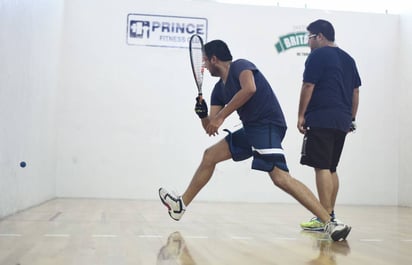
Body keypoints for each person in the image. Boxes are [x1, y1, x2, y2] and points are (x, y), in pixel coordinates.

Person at [159, 39, 351, 241]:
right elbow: (211, 128)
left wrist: (221, 116)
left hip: (268, 124)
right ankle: (180, 206)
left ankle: (329, 223)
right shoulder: (218, 90)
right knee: (210, 156)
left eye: (206, 61)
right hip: (251, 128)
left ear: (214, 59)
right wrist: (202, 115)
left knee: (281, 178)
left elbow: (249, 88)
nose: (204, 66)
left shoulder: (240, 66)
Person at [297, 19, 361, 231]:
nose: (308, 42)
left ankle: (324, 218)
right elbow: (355, 91)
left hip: (322, 118)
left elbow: (308, 85)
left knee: (322, 167)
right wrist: (351, 118)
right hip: (342, 120)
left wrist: (301, 115)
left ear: (320, 36)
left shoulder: (318, 55)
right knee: (331, 168)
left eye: (310, 37)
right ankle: (329, 215)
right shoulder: (349, 59)